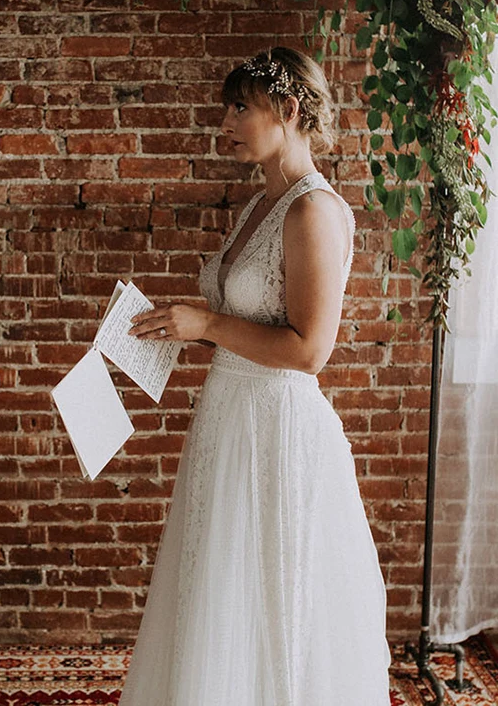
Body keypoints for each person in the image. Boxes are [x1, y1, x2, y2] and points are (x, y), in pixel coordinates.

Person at [121, 47, 391, 705]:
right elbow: (241, 314)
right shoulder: (258, 206)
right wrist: (176, 327)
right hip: (228, 416)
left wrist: (206, 325)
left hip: (276, 427)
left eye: (240, 107)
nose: (226, 123)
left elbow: (309, 351)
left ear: (290, 109)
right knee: (215, 590)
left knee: (273, 599)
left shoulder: (311, 211)